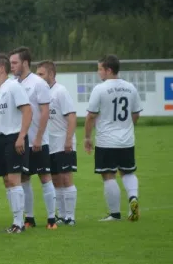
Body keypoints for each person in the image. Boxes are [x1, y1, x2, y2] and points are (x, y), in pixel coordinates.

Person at [84, 54, 141, 222]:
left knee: (108, 175)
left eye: (100, 69)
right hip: (127, 140)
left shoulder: (100, 89)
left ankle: (115, 214)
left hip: (106, 140)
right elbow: (136, 113)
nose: (98, 72)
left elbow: (90, 116)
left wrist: (87, 137)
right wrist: (127, 128)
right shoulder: (131, 87)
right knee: (127, 171)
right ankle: (133, 199)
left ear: (108, 70)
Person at [9, 47, 58, 230]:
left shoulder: (38, 83)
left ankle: (52, 219)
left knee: (45, 177)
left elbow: (45, 112)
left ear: (25, 63)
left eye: (14, 62)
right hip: (20, 140)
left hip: (38, 140)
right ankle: (29, 218)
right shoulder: (12, 84)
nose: (11, 66)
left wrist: (38, 137)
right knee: (24, 178)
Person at [0, 54, 32, 233]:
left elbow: (28, 111)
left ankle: (19, 223)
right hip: (0, 138)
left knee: (14, 179)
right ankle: (16, 220)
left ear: (1, 69)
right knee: (6, 180)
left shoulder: (14, 86)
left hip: (14, 136)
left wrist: (22, 136)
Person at [36, 61, 78, 225]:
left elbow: (72, 116)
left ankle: (71, 216)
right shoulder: (41, 93)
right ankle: (61, 215)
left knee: (66, 178)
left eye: (41, 74)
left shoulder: (60, 91)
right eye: (37, 74)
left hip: (62, 142)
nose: (38, 78)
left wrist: (68, 140)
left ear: (51, 74)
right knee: (55, 180)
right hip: (49, 143)